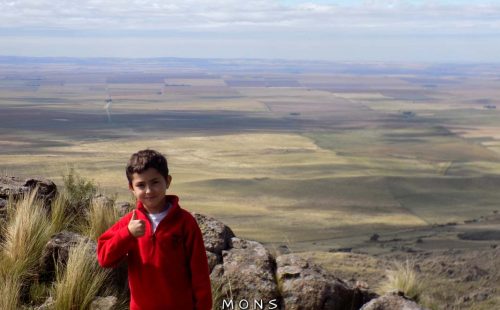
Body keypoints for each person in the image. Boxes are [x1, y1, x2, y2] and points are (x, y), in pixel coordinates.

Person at [97, 149, 212, 310]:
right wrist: (127, 234)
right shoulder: (130, 223)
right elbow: (104, 258)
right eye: (141, 185)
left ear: (168, 181)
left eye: (155, 182)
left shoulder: (185, 223)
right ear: (131, 188)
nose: (149, 190)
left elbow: (200, 275)